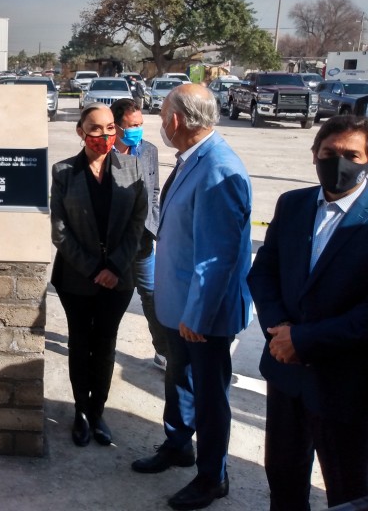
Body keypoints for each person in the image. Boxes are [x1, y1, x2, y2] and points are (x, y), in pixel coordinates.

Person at [131, 84, 252, 511]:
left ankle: (212, 476)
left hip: (204, 313)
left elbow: (219, 257)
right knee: (178, 379)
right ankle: (179, 444)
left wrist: (197, 316)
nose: (160, 123)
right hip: (179, 304)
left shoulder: (218, 168)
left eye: (162, 115)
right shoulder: (191, 160)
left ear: (178, 121)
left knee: (210, 395)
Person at [248, 115, 368, 509]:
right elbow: (264, 270)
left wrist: (303, 340)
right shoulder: (294, 204)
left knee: (347, 488)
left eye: (352, 155)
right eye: (329, 153)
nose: (339, 162)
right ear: (314, 154)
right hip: (286, 373)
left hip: (345, 384)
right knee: (283, 475)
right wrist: (280, 329)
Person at [50, 103, 147, 448]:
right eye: (95, 129)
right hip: (77, 278)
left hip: (118, 279)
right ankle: (80, 412)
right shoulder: (62, 172)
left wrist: (115, 267)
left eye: (109, 129)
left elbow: (138, 226)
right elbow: (60, 232)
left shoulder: (134, 168)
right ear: (80, 132)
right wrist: (94, 269)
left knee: (105, 344)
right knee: (80, 343)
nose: (103, 136)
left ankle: (98, 410)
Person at [110, 97, 168, 370]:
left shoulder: (149, 151)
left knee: (152, 294)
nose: (138, 130)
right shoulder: (103, 154)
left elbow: (154, 190)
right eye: (132, 125)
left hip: (143, 240)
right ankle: (98, 345)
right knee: (109, 300)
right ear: (117, 127)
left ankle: (163, 351)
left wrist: (153, 225)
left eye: (141, 124)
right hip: (113, 244)